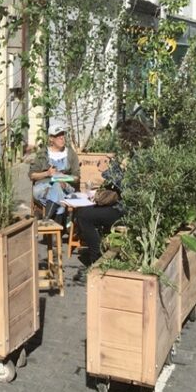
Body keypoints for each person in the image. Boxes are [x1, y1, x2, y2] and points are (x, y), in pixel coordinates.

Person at [73, 118, 153, 282]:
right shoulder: (141, 152)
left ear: (128, 137)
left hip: (129, 209)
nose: (118, 141)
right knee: (87, 211)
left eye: (120, 137)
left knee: (84, 216)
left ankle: (97, 262)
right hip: (128, 205)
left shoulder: (141, 156)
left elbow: (129, 184)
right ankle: (101, 255)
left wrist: (106, 170)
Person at [29, 123, 80, 225]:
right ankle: (59, 232)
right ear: (51, 138)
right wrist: (47, 173)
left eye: (62, 134)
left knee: (57, 188)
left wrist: (65, 180)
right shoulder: (42, 154)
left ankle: (47, 222)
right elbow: (32, 175)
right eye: (58, 135)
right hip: (44, 188)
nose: (62, 138)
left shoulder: (70, 153)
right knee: (57, 192)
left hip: (66, 187)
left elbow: (77, 177)